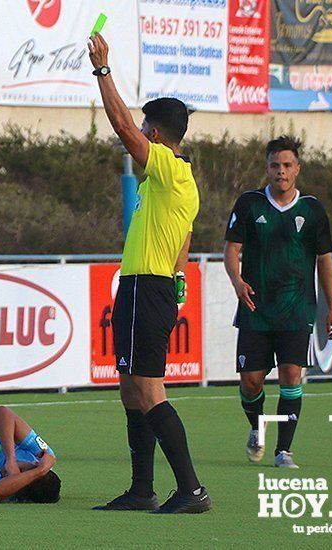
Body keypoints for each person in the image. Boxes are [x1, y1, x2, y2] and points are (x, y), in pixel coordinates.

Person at [87, 33, 210, 514]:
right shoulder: (174, 184)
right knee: (129, 388)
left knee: (148, 389)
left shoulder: (172, 171)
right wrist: (179, 283)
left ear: (156, 135)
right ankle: (142, 490)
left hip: (146, 289)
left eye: (145, 128)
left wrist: (103, 71)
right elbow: (184, 243)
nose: (139, 132)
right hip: (146, 288)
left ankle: (192, 489)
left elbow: (121, 127)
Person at [223, 136, 332, 469]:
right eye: (275, 165)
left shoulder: (313, 209)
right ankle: (256, 429)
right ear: (267, 167)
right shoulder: (249, 203)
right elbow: (231, 250)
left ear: (297, 169)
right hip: (255, 309)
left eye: (287, 165)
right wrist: (236, 281)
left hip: (296, 309)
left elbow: (324, 260)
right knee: (251, 381)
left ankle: (283, 451)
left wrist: (331, 307)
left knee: (291, 375)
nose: (281, 172)